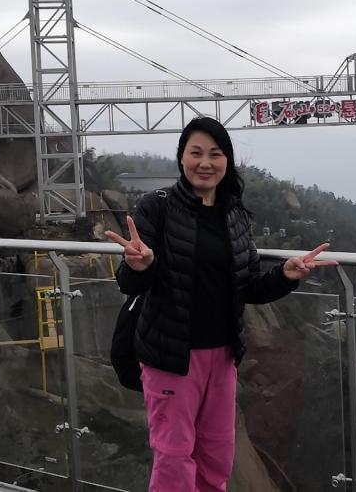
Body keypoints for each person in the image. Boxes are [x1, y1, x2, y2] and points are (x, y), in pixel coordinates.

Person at [105, 117, 335, 492]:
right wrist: (139, 265)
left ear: (227, 160)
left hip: (223, 356)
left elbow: (249, 288)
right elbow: (128, 283)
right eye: (195, 153)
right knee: (174, 456)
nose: (205, 162)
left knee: (216, 456)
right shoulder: (156, 208)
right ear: (181, 158)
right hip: (171, 356)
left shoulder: (235, 215)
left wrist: (286, 275)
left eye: (215, 154)